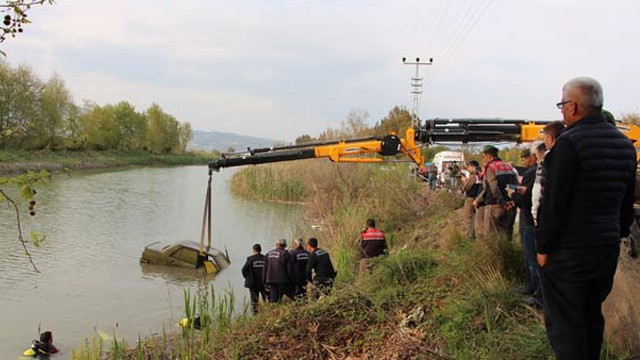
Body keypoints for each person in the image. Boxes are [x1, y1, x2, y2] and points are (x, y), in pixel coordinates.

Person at [535, 77, 636, 360]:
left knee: (567, 328)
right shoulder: (624, 145)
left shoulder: (569, 144)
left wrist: (543, 247)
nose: (562, 112)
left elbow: (555, 204)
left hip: (570, 252)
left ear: (575, 106)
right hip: (605, 249)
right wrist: (615, 235)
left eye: (562, 105)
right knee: (591, 319)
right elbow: (625, 207)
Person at [507, 146, 541, 308]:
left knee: (532, 258)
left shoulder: (532, 172)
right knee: (529, 258)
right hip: (529, 220)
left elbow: (525, 199)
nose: (523, 161)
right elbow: (527, 191)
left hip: (529, 221)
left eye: (525, 158)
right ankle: (531, 287)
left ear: (533, 157)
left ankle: (537, 294)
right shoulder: (535, 171)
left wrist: (512, 194)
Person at [473, 145, 518, 240]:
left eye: (483, 156)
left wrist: (501, 202)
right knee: (506, 235)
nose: (483, 159)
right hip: (509, 206)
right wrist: (510, 201)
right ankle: (508, 254)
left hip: (495, 206)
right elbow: (515, 185)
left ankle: (494, 255)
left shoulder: (491, 167)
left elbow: (493, 187)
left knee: (491, 237)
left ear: (489, 156)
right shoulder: (508, 166)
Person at [531, 121, 565, 226]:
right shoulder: (569, 153)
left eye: (544, 139)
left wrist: (535, 215)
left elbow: (538, 191)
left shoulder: (547, 158)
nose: (544, 143)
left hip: (549, 217)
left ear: (550, 138)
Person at [263, 239, 293, 303]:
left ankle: (273, 311)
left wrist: (264, 282)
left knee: (273, 300)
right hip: (283, 280)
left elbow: (264, 269)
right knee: (294, 296)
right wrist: (292, 281)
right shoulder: (286, 254)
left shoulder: (268, 254)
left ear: (276, 244)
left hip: (271, 280)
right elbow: (290, 270)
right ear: (285, 245)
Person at [241, 244, 267, 313]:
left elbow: (243, 270)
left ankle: (255, 315)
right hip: (264, 283)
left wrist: (247, 277)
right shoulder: (265, 259)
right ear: (260, 250)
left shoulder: (250, 259)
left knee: (254, 301)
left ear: (253, 250)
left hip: (253, 283)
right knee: (266, 299)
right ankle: (267, 313)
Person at [461, 160, 481, 239]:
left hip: (470, 199)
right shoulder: (479, 175)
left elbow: (466, 187)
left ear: (472, 167)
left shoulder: (473, 176)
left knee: (468, 218)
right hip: (477, 199)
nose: (468, 169)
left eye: (469, 167)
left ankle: (469, 236)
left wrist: (464, 181)